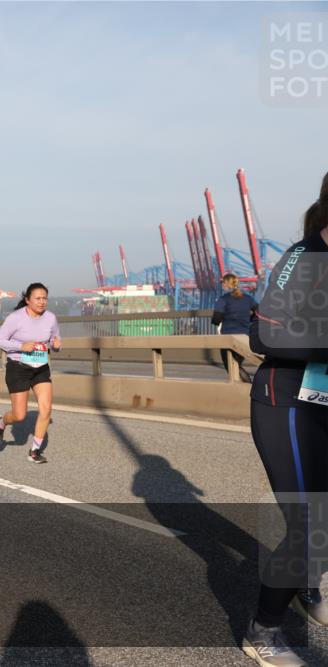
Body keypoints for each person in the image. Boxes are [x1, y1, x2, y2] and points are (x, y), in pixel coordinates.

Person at [241, 172, 328, 667]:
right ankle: (263, 629)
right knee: (311, 523)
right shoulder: (302, 259)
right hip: (288, 400)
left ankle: (306, 583)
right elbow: (266, 337)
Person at [0, 283, 61, 463]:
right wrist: (20, 346)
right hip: (18, 368)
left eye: (45, 298)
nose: (42, 302)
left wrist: (56, 345)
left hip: (41, 368)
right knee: (19, 415)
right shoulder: (16, 318)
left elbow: (55, 339)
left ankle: (35, 451)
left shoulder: (51, 318)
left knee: (46, 409)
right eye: (37, 298)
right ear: (27, 300)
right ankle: (1, 423)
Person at [212, 273, 258, 383]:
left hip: (229, 338)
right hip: (245, 337)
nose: (222, 284)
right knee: (237, 365)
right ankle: (242, 389)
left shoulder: (223, 299)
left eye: (223, 282)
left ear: (226, 284)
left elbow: (216, 319)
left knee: (230, 366)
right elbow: (259, 312)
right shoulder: (248, 298)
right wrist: (249, 319)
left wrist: (223, 317)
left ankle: (248, 386)